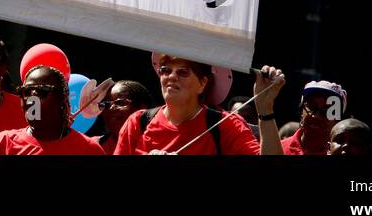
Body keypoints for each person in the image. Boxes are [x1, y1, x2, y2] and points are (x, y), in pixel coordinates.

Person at [113, 53, 284, 155]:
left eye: (183, 72)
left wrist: (265, 107)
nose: (171, 77)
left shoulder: (225, 125)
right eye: (165, 70)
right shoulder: (137, 122)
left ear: (203, 84)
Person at [0, 65, 106, 154]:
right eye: (26, 92)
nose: (32, 99)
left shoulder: (88, 150)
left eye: (42, 91)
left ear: (62, 100)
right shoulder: (5, 144)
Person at [281, 80, 347, 156]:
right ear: (301, 112)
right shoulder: (277, 149)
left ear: (338, 120)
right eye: (311, 107)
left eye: (327, 111)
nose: (316, 116)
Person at [94, 80, 153, 153]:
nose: (111, 108)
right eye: (106, 105)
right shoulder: (93, 145)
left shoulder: (158, 142)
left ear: (142, 108)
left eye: (120, 102)